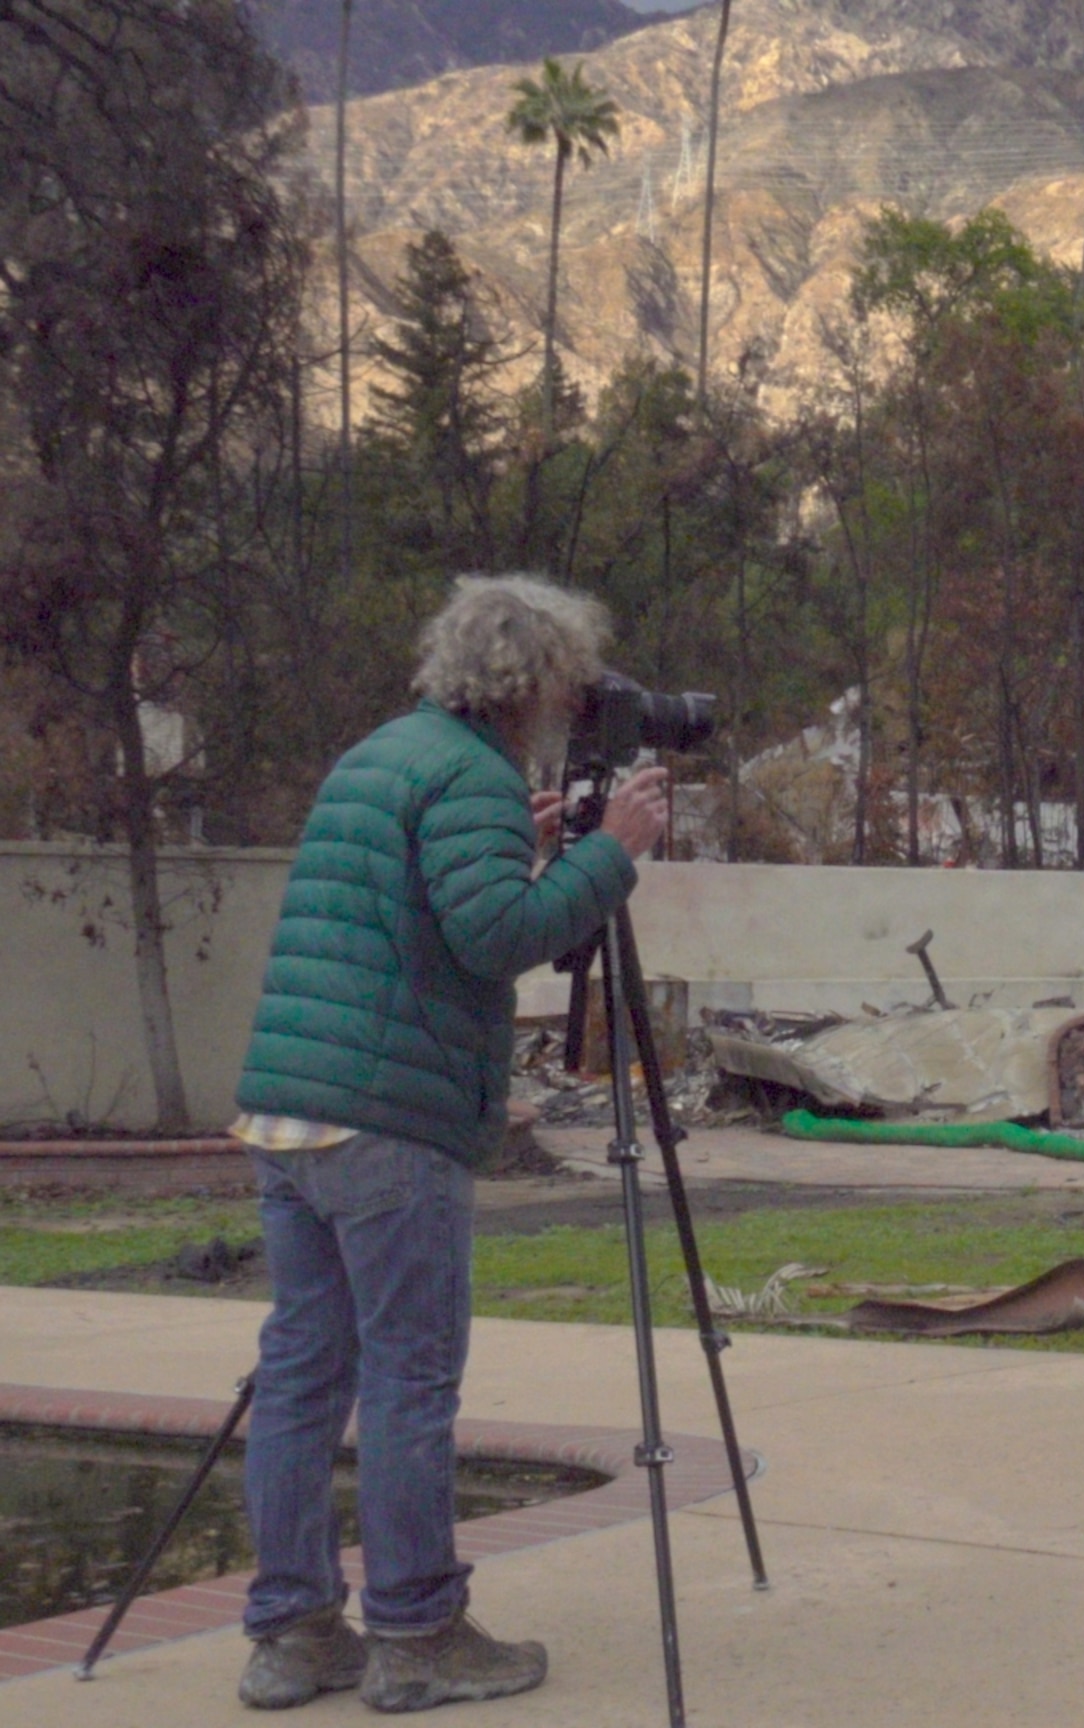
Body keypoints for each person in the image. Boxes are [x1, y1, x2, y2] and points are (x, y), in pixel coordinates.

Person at [228, 575, 670, 1713]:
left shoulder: (386, 754)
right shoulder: (473, 776)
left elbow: (407, 906)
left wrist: (511, 842)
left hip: (292, 1108)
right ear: (537, 682)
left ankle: (291, 1635)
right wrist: (608, 853)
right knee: (410, 1383)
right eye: (570, 683)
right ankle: (418, 1636)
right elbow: (494, 938)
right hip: (388, 1123)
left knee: (300, 1377)